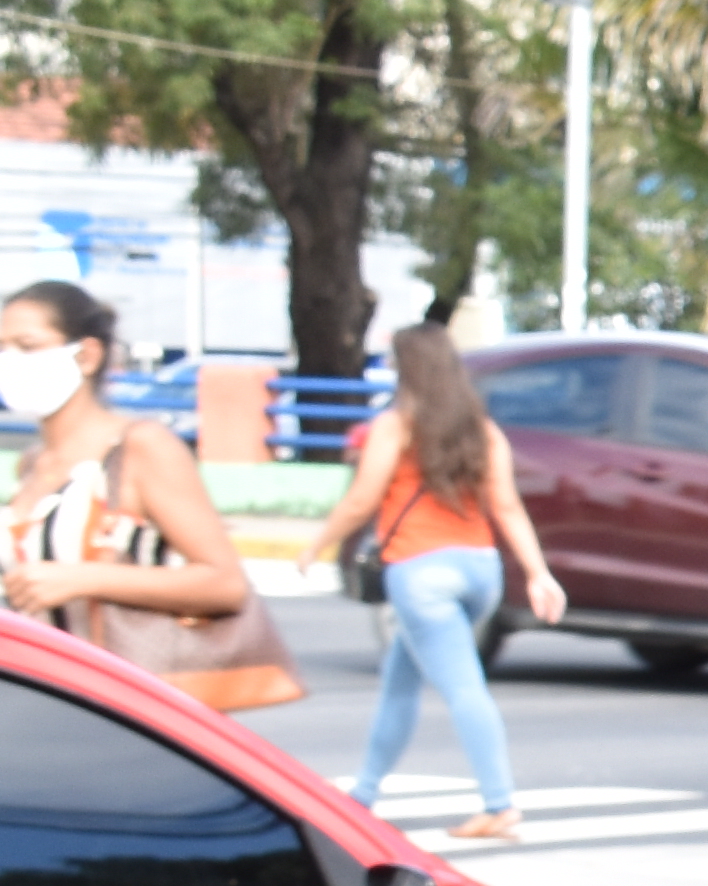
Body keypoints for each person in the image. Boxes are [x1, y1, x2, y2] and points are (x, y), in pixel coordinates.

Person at [0, 281, 297, 724]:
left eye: (27, 346)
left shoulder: (140, 448)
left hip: (130, 712)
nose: (10, 362)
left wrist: (83, 579)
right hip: (50, 706)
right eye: (2, 348)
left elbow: (224, 583)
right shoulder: (33, 464)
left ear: (87, 356)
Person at [324, 323, 567, 837]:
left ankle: (499, 804)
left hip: (421, 572)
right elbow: (506, 506)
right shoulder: (482, 430)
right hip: (480, 570)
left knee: (464, 688)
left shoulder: (396, 427)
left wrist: (316, 544)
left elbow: (363, 500)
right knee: (400, 682)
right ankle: (363, 793)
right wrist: (538, 573)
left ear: (406, 368)